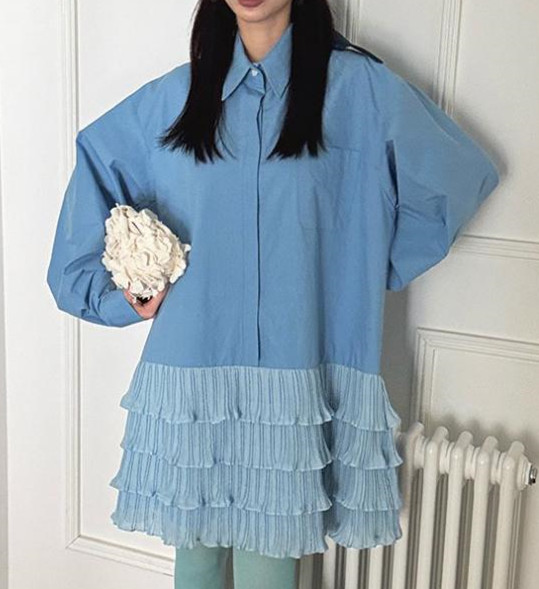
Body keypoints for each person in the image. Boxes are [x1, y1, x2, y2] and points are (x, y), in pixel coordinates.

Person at [45, 0, 501, 587]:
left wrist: (364, 267)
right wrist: (121, 296)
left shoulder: (360, 91)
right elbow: (94, 178)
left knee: (270, 568)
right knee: (197, 565)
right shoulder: (175, 99)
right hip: (194, 377)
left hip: (297, 377)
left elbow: (457, 177)